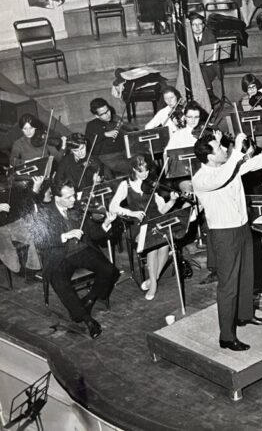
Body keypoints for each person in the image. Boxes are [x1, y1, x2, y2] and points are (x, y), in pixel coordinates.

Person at [192, 128, 262, 351]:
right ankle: (226, 336)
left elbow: (258, 161)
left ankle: (244, 315)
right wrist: (235, 153)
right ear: (210, 156)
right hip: (223, 235)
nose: (225, 148)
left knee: (247, 276)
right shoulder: (202, 178)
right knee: (228, 285)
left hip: (242, 228)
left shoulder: (228, 166)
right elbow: (220, 179)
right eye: (219, 147)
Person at [31, 179, 119, 339]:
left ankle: (90, 299)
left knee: (109, 270)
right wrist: (64, 236)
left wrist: (106, 223)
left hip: (81, 250)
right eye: (69, 197)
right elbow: (40, 241)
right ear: (57, 198)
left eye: (74, 196)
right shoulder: (45, 213)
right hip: (58, 255)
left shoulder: (78, 209)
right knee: (59, 282)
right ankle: (88, 320)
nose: (74, 199)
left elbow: (93, 234)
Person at [109, 155, 179, 301]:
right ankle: (153, 284)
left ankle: (153, 279)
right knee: (153, 247)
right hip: (139, 225)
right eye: (141, 171)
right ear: (134, 169)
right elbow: (112, 207)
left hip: (156, 219)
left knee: (165, 246)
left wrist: (172, 201)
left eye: (147, 171)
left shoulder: (152, 184)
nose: (145, 174)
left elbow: (162, 210)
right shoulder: (125, 185)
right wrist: (131, 212)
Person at [85, 98, 132, 175]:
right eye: (103, 114)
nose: (107, 114)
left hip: (124, 151)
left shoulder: (116, 119)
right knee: (133, 167)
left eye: (108, 111)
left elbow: (128, 131)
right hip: (108, 157)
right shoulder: (91, 125)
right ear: (97, 116)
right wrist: (105, 134)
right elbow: (89, 141)